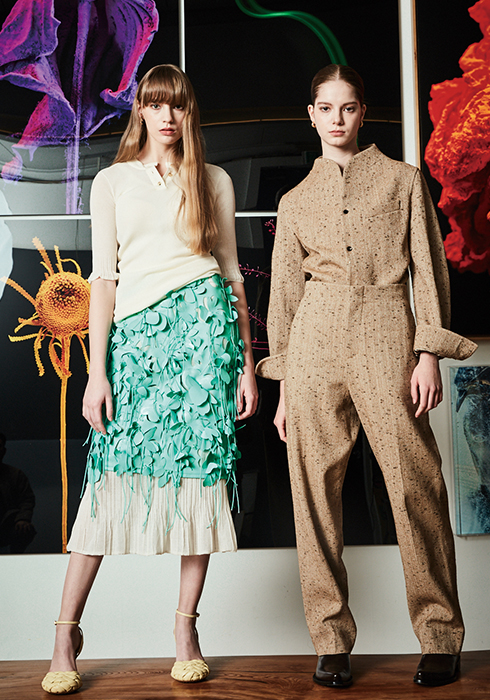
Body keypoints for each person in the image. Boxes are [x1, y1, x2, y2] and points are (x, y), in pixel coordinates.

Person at [256, 64, 477, 689]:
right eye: (326, 108)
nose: (337, 119)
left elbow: (428, 271)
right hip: (314, 344)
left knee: (415, 486)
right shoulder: (294, 202)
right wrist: (283, 384)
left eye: (348, 107)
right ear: (312, 115)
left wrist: (428, 351)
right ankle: (330, 641)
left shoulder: (402, 181)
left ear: (362, 112)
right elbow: (284, 298)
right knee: (313, 498)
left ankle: (440, 635)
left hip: (387, 333)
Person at [41, 64, 258, 695]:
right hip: (135, 347)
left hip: (204, 345)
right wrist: (96, 373)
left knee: (201, 479)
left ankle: (186, 631)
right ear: (140, 109)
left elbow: (231, 276)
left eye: (178, 105)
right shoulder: (112, 181)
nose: (167, 116)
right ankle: (64, 634)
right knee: (107, 487)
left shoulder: (213, 180)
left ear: (190, 113)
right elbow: (103, 280)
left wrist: (247, 365)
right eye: (155, 104)